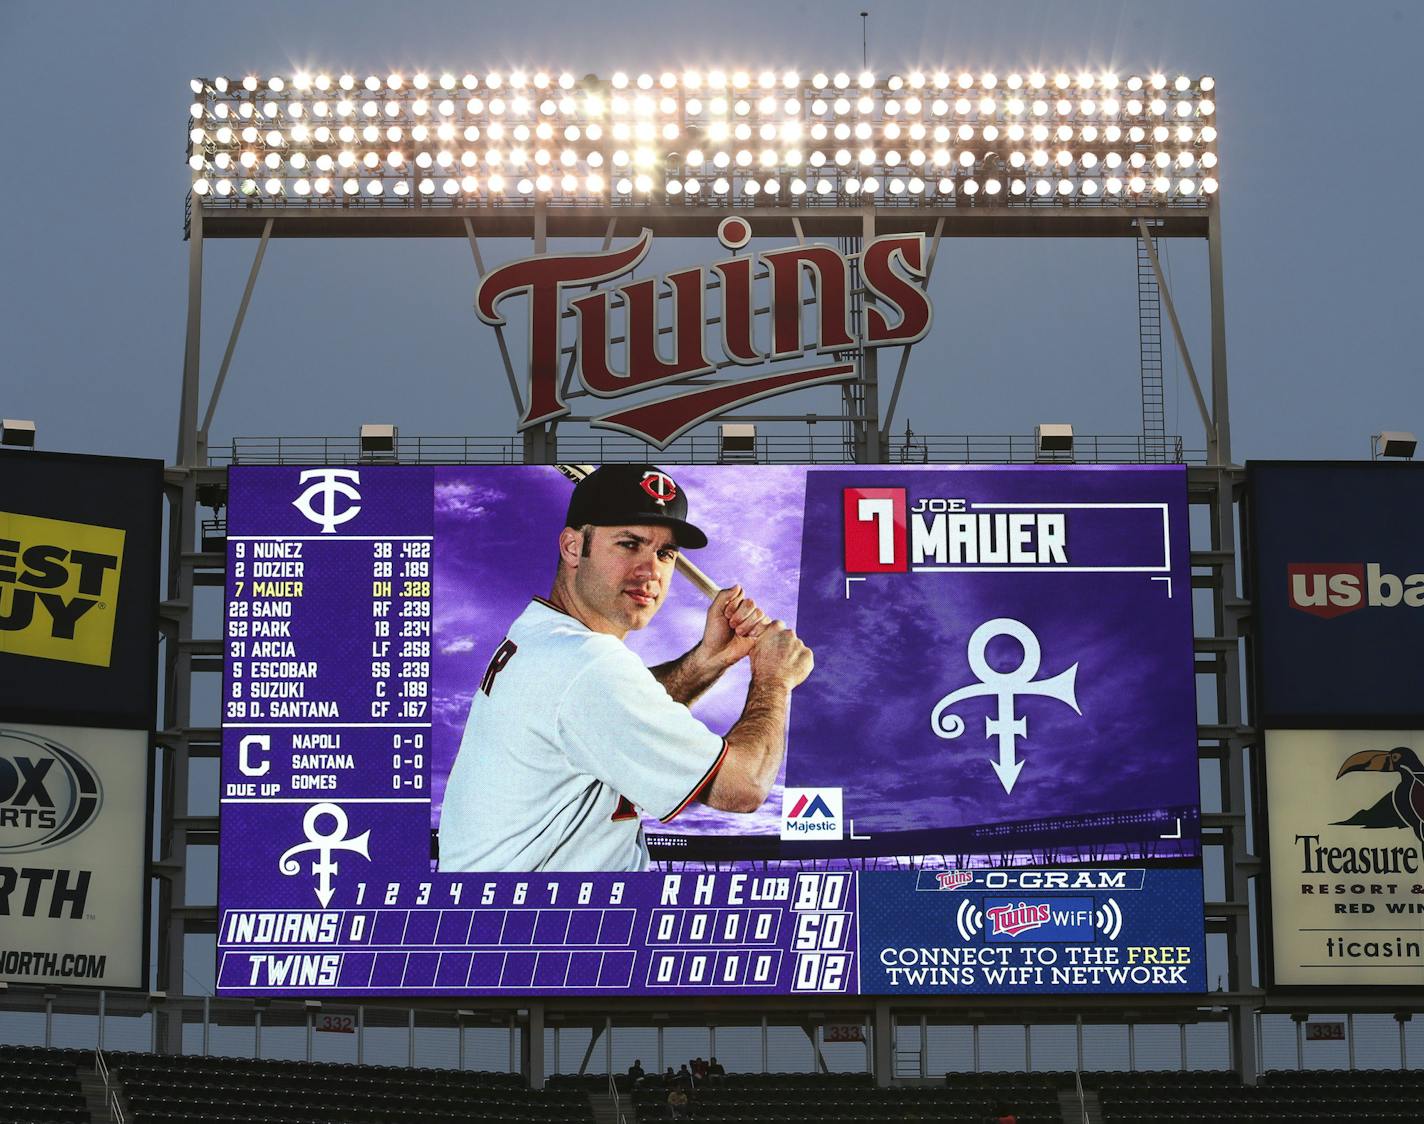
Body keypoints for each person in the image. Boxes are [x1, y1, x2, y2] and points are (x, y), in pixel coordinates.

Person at [439, 464, 814, 873]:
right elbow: (743, 788)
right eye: (629, 543)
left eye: (664, 553)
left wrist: (711, 657)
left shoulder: (543, 635)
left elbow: (617, 707)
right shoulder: (588, 666)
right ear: (571, 548)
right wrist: (774, 678)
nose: (651, 571)